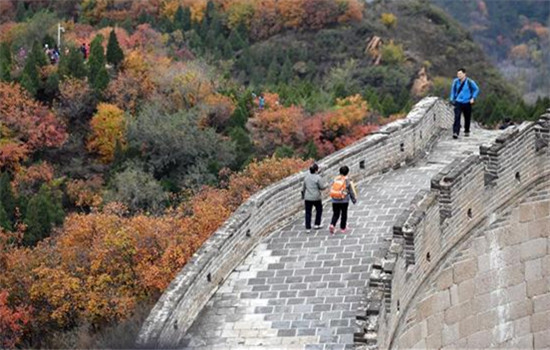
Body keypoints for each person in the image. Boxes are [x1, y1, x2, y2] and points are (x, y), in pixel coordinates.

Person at [449, 68, 480, 139]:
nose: (458, 75)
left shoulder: (469, 82)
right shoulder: (455, 82)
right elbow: (453, 91)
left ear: (464, 74)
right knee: (457, 117)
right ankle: (455, 132)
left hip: (467, 102)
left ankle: (466, 130)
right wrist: (452, 99)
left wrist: (473, 97)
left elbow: (476, 89)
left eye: (460, 74)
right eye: (458, 74)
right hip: (458, 102)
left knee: (467, 117)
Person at [329, 166, 357, 234]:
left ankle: (332, 224)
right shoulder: (347, 180)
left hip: (335, 200)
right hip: (344, 200)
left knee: (336, 214)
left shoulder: (335, 179)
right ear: (347, 172)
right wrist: (354, 200)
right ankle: (343, 228)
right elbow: (351, 191)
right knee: (344, 214)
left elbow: (332, 188)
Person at [301, 163, 327, 233]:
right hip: (316, 197)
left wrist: (303, 197)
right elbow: (322, 187)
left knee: (308, 212)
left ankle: (308, 228)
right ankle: (317, 224)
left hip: (308, 198)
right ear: (316, 170)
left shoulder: (306, 177)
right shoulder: (318, 177)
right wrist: (326, 185)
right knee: (319, 210)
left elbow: (303, 189)